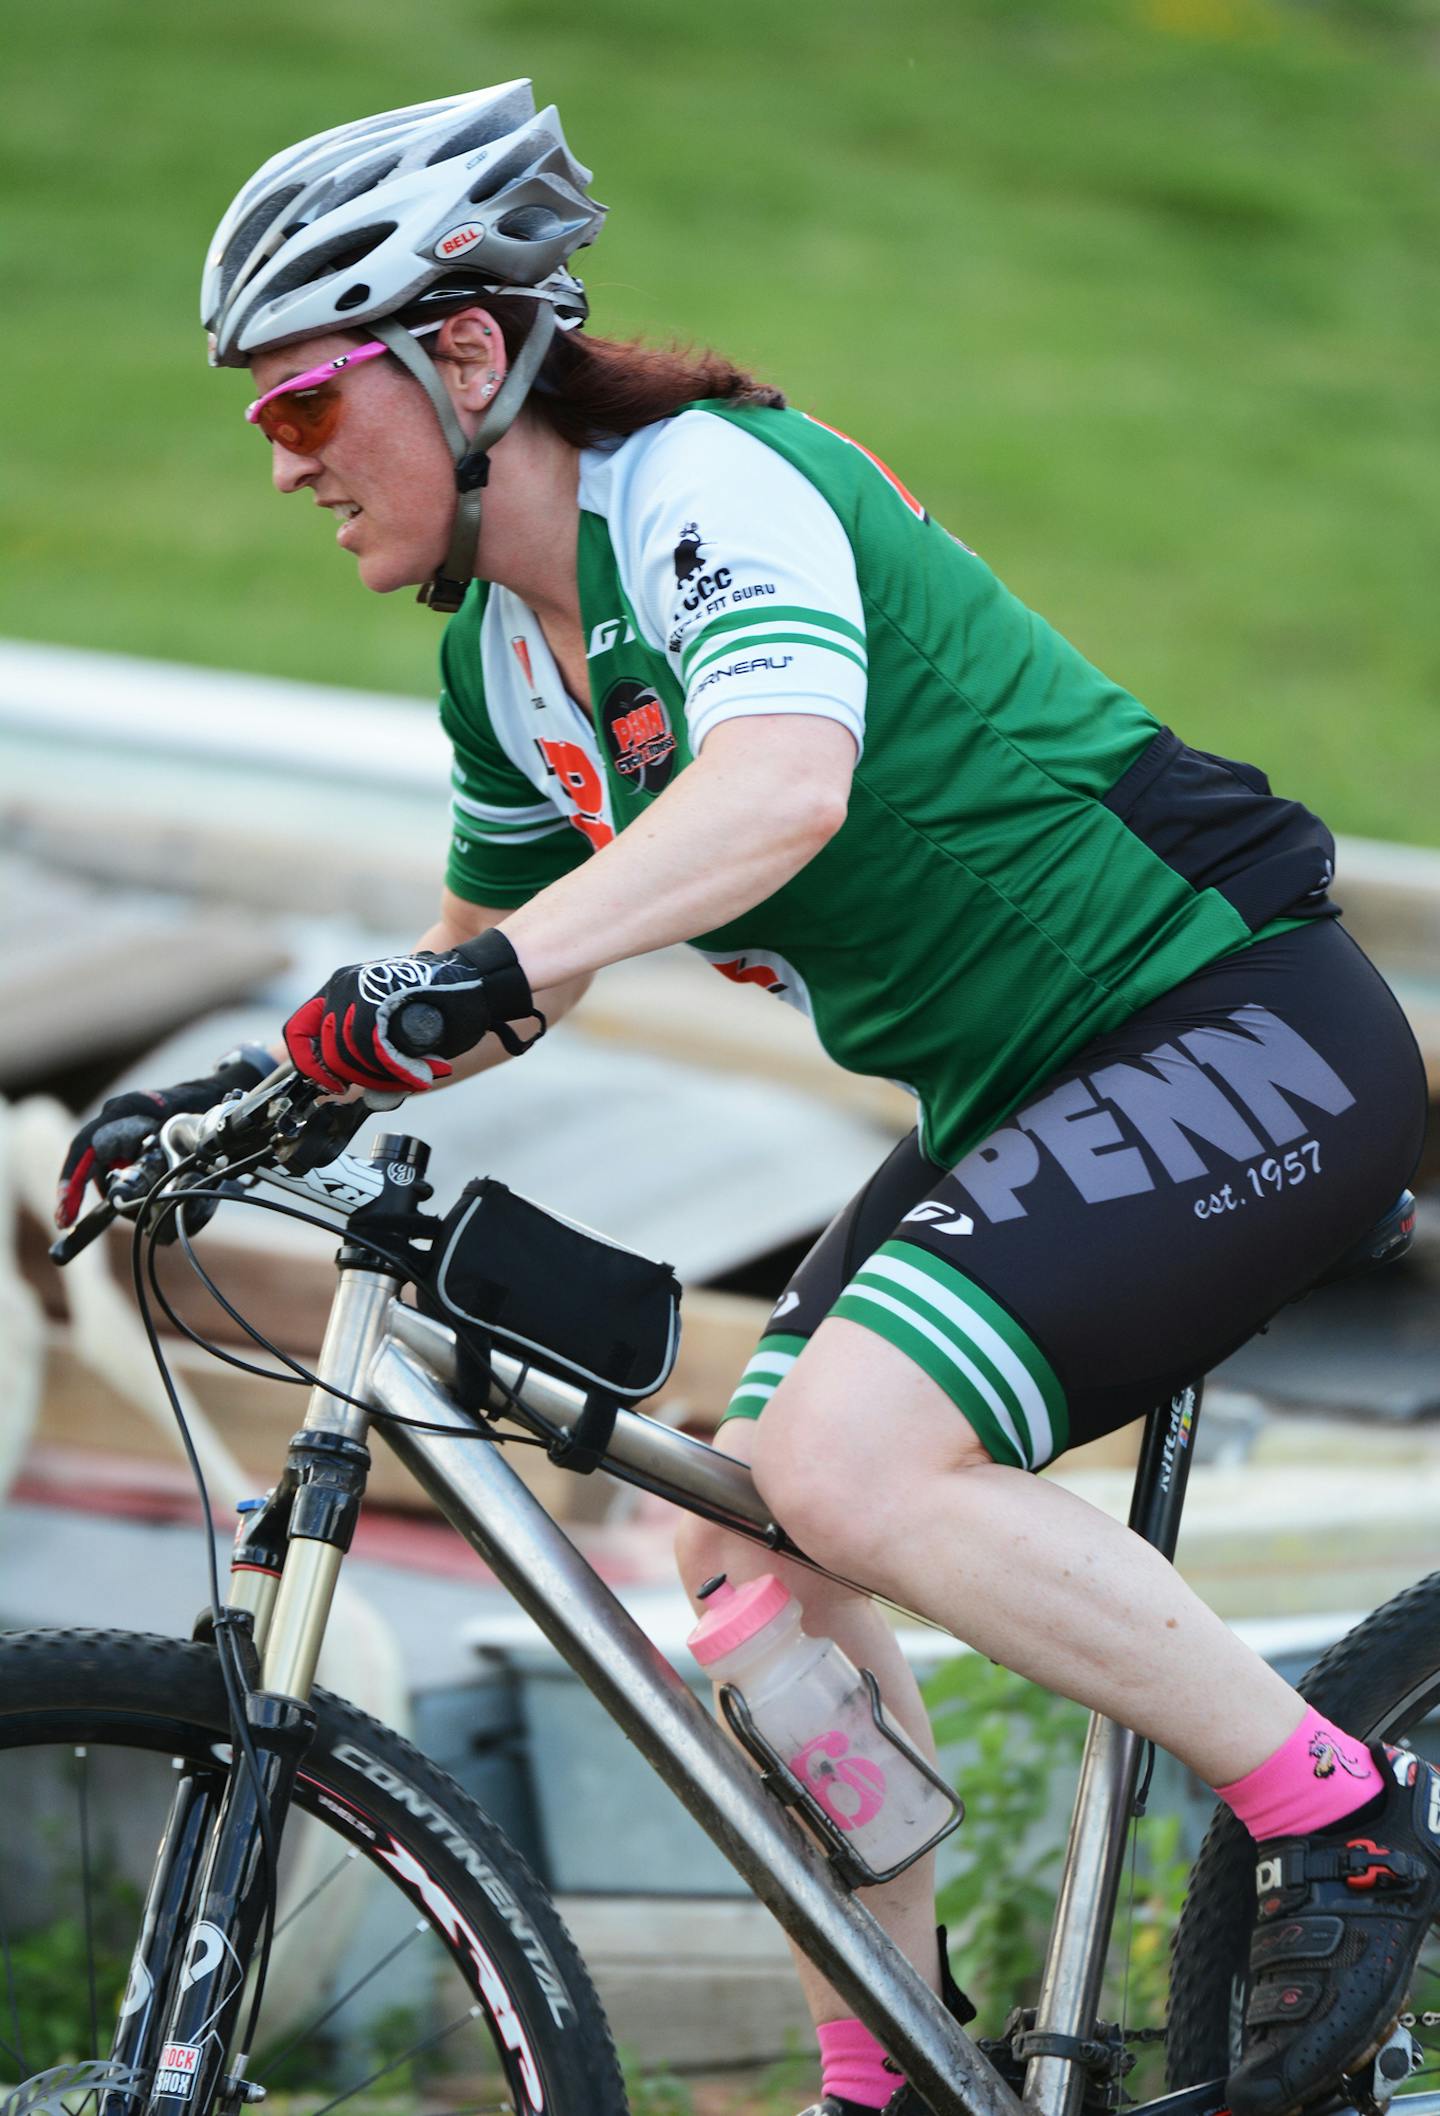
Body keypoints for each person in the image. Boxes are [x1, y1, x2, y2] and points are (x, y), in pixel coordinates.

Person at [60, 82, 1439, 2116]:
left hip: (1232, 1016)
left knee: (856, 1465)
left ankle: (1336, 1810)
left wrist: (482, 970)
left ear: (459, 356)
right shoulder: (506, 676)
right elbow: (480, 987)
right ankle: (892, 2052)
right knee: (732, 1533)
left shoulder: (705, 487)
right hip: (1013, 1090)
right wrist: (247, 1093)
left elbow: (776, 784)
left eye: (294, 407)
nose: (280, 468)